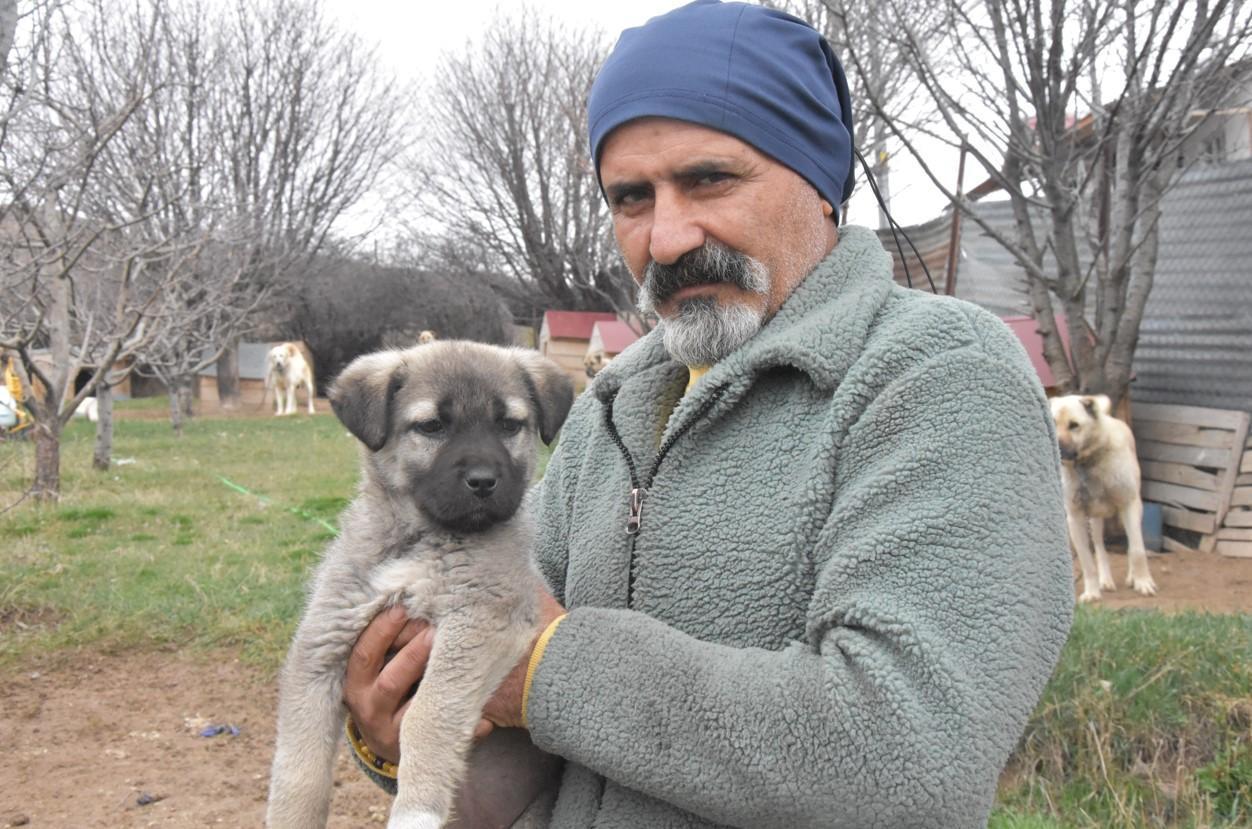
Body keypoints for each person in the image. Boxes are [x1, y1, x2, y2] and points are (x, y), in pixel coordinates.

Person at [342, 1, 1074, 826]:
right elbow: (527, 749)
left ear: (821, 181)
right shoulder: (614, 404)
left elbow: (906, 756)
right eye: (630, 198)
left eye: (708, 180)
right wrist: (403, 727)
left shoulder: (937, 373)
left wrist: (545, 663)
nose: (666, 238)